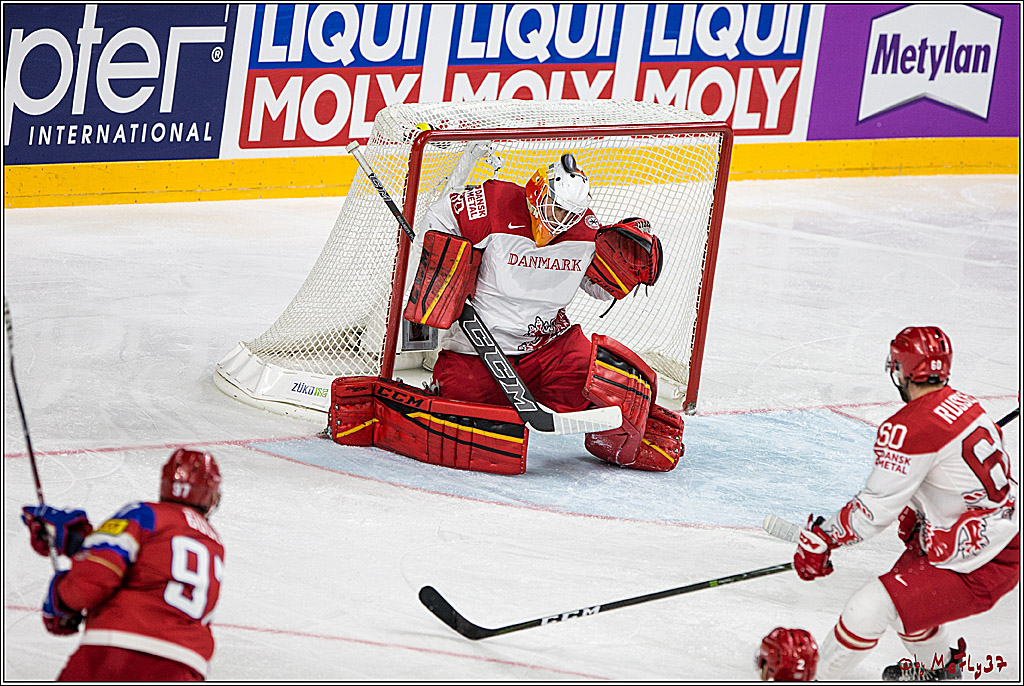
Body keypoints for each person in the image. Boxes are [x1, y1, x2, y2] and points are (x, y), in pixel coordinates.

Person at [330, 145, 685, 475]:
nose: (560, 219)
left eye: (569, 213)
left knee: (611, 385)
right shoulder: (496, 203)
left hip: (548, 348)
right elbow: (439, 216)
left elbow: (598, 288)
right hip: (477, 349)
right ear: (539, 191)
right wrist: (447, 263)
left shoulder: (584, 231)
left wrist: (623, 269)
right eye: (556, 207)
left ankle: (633, 436)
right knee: (462, 415)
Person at [758, 326, 1018, 681]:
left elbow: (871, 513)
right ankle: (940, 670)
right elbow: (965, 473)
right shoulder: (966, 404)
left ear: (904, 370)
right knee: (907, 610)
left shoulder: (910, 427)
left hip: (981, 558)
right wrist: (923, 505)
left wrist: (824, 537)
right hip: (987, 536)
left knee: (869, 608)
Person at [20, 448, 224, 681]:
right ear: (210, 495)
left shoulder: (145, 515)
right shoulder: (214, 544)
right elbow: (151, 568)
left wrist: (61, 597)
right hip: (187, 667)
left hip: (118, 654)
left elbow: (91, 580)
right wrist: (80, 543)